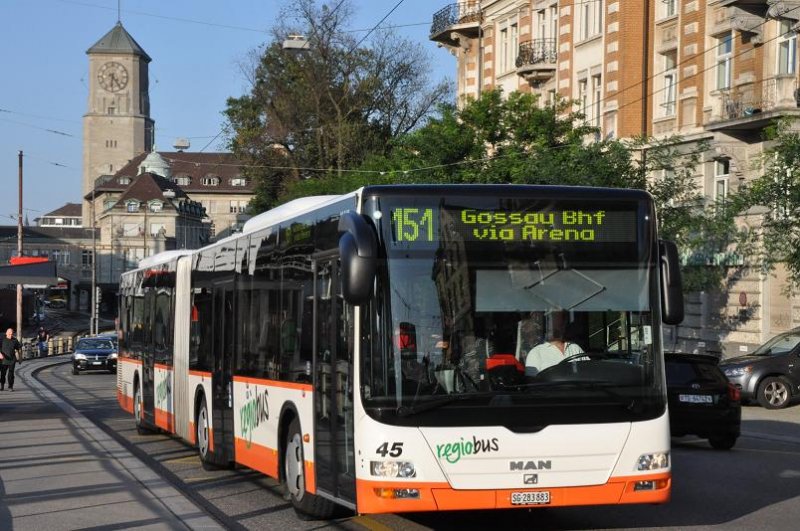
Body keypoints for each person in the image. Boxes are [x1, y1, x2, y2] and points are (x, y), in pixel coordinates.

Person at [525, 312, 584, 377]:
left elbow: (588, 373)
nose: (551, 323)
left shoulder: (575, 348)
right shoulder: (536, 352)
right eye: (549, 318)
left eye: (554, 317)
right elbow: (533, 384)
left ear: (564, 323)